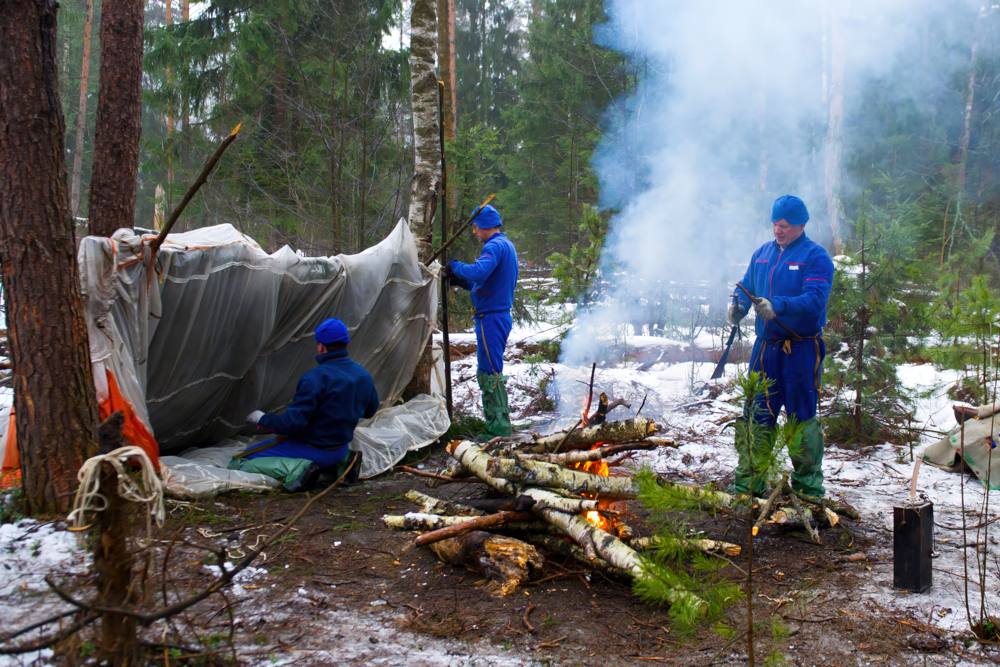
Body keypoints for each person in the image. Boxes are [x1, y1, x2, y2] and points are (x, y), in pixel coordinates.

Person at [727, 195, 835, 497]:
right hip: (765, 349)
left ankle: (807, 490)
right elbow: (747, 287)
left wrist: (779, 306)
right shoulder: (762, 254)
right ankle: (749, 486)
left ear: (801, 225)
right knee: (757, 414)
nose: (778, 230)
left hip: (800, 350)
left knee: (801, 417)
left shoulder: (816, 257)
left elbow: (815, 300)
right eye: (775, 224)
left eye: (785, 225)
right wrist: (738, 306)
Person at [232, 317, 380, 491]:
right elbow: (370, 410)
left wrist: (263, 419)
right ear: (345, 343)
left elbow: (293, 424)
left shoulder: (315, 378)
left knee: (239, 461)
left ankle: (300, 471)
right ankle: (341, 465)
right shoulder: (362, 375)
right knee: (325, 451)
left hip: (313, 449)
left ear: (321, 346)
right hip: (339, 448)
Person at [446, 204, 519, 440]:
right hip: (494, 316)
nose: (474, 233)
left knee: (489, 373)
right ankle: (498, 423)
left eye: (475, 228)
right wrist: (459, 280)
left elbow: (478, 272)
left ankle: (497, 429)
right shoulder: (505, 246)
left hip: (492, 318)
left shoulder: (495, 246)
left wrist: (455, 267)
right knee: (490, 369)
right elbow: (484, 282)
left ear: (482, 226)